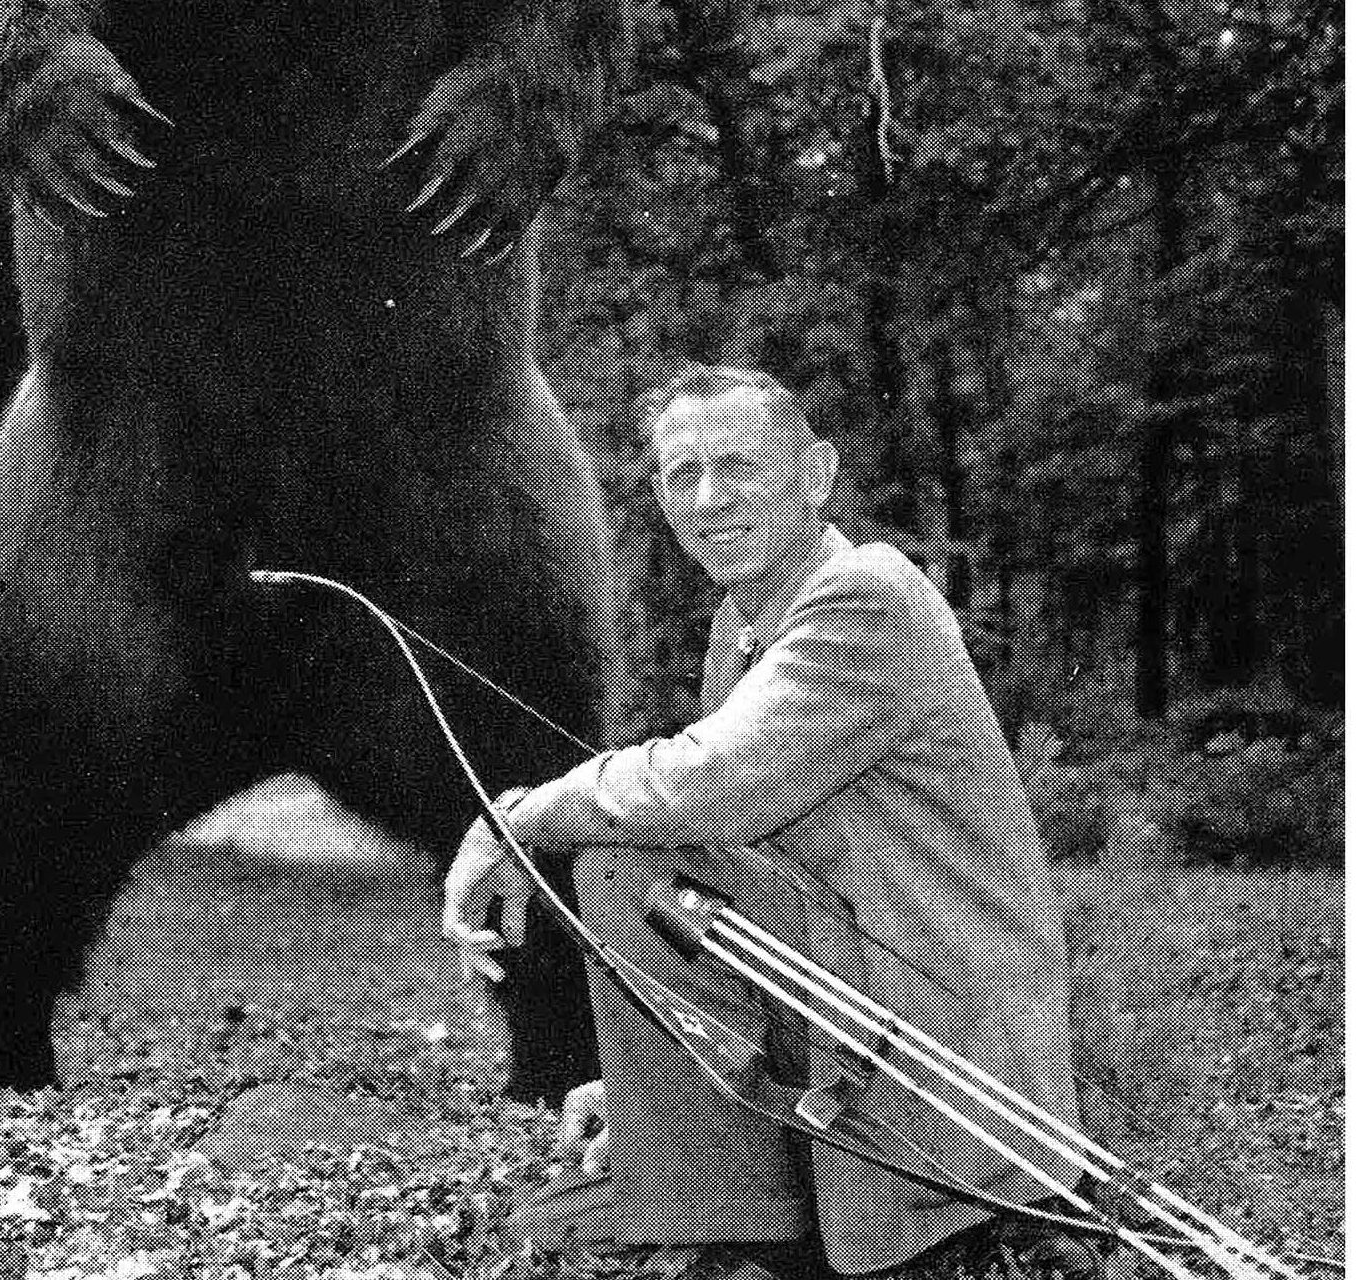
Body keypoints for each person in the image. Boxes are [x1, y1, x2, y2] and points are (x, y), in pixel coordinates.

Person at [441, 366, 1083, 1277]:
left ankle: (736, 1241)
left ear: (815, 473)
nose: (709, 498)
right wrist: (648, 1093)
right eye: (683, 474)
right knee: (553, 1216)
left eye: (739, 465)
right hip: (849, 993)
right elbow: (740, 874)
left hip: (945, 1054)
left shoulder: (864, 596)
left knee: (624, 870)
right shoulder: (742, 626)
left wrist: (512, 819)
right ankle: (721, 1200)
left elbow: (707, 785)